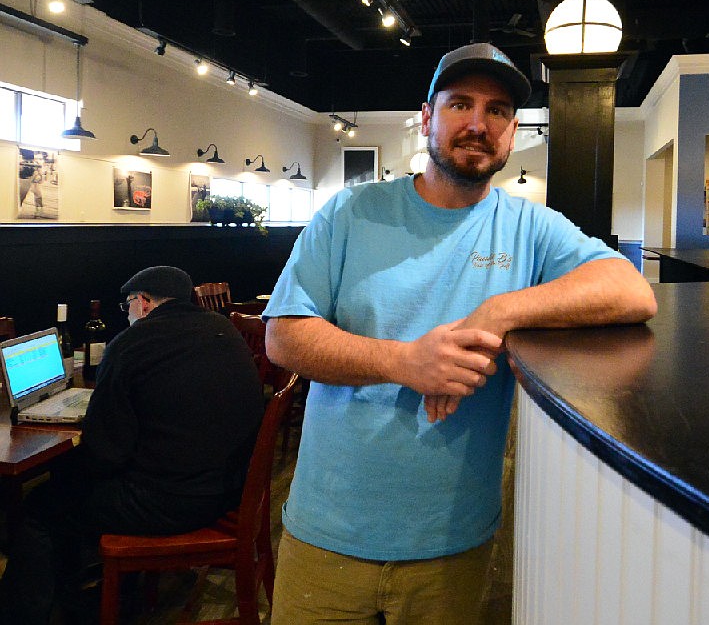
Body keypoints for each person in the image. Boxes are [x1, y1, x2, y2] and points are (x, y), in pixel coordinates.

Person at [263, 42, 657, 624]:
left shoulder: (529, 226)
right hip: (329, 532)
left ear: (513, 131)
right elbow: (284, 338)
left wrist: (497, 311)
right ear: (427, 118)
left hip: (453, 543)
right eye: (460, 104)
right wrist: (403, 362)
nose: (478, 123)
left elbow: (631, 290)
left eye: (497, 111)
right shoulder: (349, 213)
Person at [0, 266, 264, 624]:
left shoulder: (130, 346)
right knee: (69, 488)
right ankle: (80, 587)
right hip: (229, 488)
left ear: (142, 302)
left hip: (172, 503)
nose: (127, 314)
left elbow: (105, 453)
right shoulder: (223, 329)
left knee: (41, 507)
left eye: (127, 306)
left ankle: (23, 615)